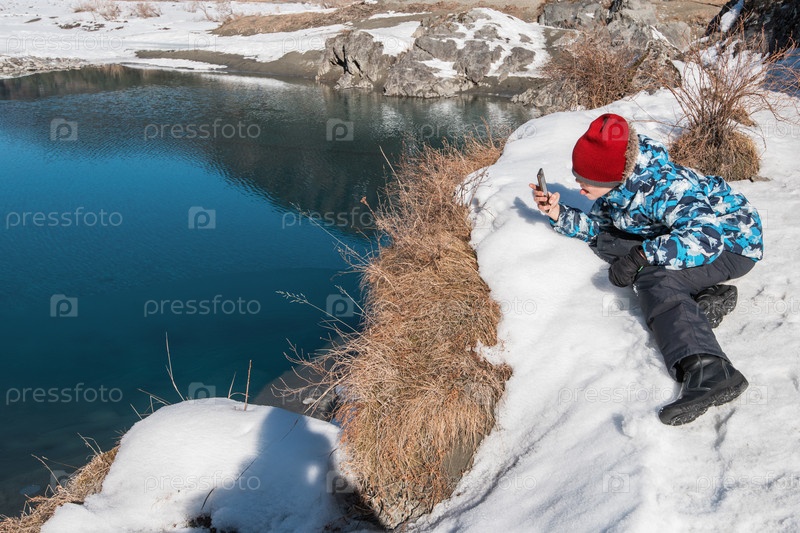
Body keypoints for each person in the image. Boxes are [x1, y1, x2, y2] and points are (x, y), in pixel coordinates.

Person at [531, 114, 763, 426]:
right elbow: (600, 230)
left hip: (734, 243)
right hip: (697, 238)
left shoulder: (665, 187)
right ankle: (703, 298)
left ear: (609, 177)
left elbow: (706, 239)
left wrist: (643, 255)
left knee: (656, 277)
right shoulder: (616, 188)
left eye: (585, 181)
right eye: (578, 177)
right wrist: (557, 212)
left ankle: (710, 371)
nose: (579, 187)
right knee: (610, 243)